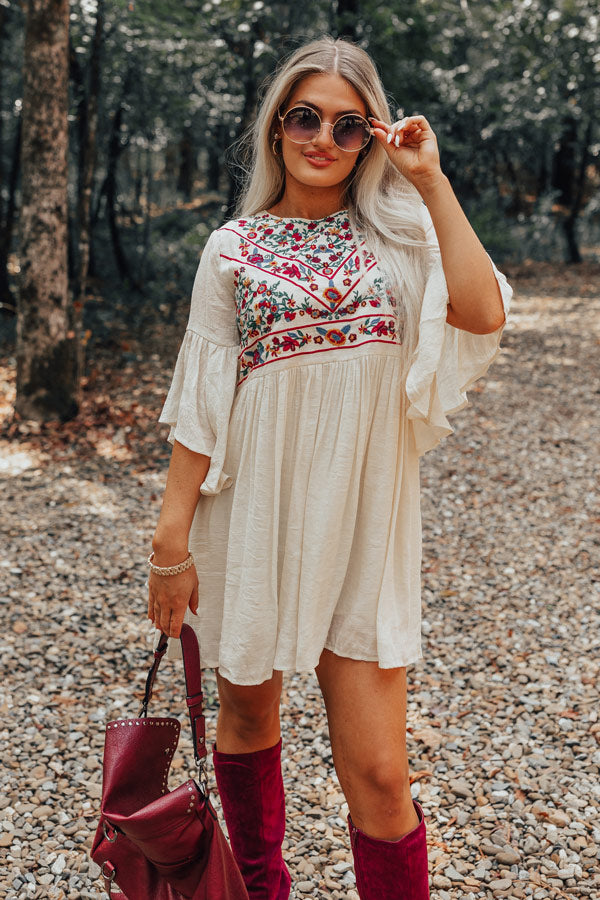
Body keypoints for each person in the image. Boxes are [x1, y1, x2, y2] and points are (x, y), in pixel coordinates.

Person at [147, 35, 512, 900]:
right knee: (245, 715)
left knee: (383, 779)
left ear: (369, 139)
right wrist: (170, 541)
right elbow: (203, 400)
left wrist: (428, 179)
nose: (322, 138)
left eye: (348, 126)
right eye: (304, 117)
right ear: (277, 128)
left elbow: (482, 308)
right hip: (252, 516)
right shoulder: (231, 248)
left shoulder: (398, 237)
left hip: (365, 525)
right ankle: (262, 887)